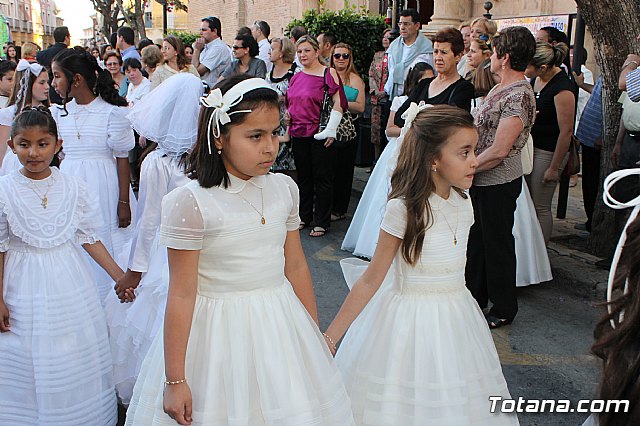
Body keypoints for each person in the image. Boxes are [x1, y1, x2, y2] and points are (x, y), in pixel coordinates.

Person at [125, 75, 355, 425]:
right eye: (255, 136)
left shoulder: (284, 189)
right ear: (219, 137)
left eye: (276, 133)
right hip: (216, 337)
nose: (270, 147)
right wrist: (175, 378)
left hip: (279, 324)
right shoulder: (191, 203)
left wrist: (313, 334)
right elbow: (182, 294)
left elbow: (295, 267)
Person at [325, 105, 517, 425]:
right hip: (406, 320)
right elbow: (371, 280)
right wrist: (330, 338)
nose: (474, 160)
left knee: (455, 400)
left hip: (457, 316)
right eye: (465, 152)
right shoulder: (404, 209)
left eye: (475, 150)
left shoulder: (463, 201)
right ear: (433, 159)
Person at [0, 107, 124, 425]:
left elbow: (89, 237)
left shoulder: (73, 187)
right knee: (25, 355)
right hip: (20, 283)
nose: (33, 152)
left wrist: (119, 276)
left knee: (68, 351)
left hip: (69, 282)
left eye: (43, 143)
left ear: (58, 145)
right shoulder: (4, 191)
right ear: (12, 146)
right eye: (24, 144)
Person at [105, 73, 203, 406]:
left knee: (158, 321)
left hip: (166, 249)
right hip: (200, 247)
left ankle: (160, 385)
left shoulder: (156, 163)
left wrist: (136, 270)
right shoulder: (207, 160)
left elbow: (148, 223)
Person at [50, 47, 135, 303]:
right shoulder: (60, 114)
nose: (54, 83)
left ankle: (111, 295)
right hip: (70, 183)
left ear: (76, 79)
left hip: (103, 185)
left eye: (57, 76)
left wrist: (123, 202)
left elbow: (122, 160)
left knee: (103, 237)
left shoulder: (111, 113)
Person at [465, 26, 537, 328]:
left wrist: (466, 168)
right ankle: (474, 299)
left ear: (504, 57)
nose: (490, 57)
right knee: (479, 241)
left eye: (494, 52)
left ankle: (504, 307)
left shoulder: (519, 94)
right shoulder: (500, 88)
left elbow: (500, 149)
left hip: (498, 180)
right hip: (483, 178)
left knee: (497, 244)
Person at [342, 62, 433, 259]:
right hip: (398, 150)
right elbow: (389, 129)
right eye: (424, 80)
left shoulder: (432, 104)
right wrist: (412, 129)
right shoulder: (401, 100)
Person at [286, 35, 348, 237]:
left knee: (323, 178)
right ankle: (304, 217)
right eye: (300, 51)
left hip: (320, 132)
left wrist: (331, 129)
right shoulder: (296, 75)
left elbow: (340, 102)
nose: (303, 55)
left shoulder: (328, 73)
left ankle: (321, 221)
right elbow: (291, 100)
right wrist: (288, 113)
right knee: (304, 177)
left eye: (307, 50)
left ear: (317, 52)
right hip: (298, 131)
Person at [525, 41, 575, 244]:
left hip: (548, 151)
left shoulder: (562, 88)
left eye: (529, 65)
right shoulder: (535, 81)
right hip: (531, 148)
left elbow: (566, 132)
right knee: (529, 205)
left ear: (543, 67)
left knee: (541, 206)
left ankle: (541, 253)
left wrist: (554, 167)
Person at [395, 28, 474, 125]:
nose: (438, 58)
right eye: (436, 52)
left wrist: (414, 116)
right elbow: (399, 117)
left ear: (458, 56)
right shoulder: (424, 84)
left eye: (444, 52)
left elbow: (450, 124)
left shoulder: (464, 88)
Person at [330, 42, 365, 222]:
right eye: (337, 56)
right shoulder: (327, 76)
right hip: (329, 127)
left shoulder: (355, 79)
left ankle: (339, 208)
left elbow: (360, 106)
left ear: (350, 58)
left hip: (349, 128)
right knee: (328, 168)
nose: (341, 59)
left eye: (345, 56)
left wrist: (339, 102)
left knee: (344, 170)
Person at [0, 60, 50, 175]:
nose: (47, 87)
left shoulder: (52, 111)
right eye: (41, 83)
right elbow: (2, 150)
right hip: (14, 165)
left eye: (47, 82)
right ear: (28, 83)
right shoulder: (8, 114)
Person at [574, 75, 603, 233]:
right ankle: (589, 220)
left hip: (596, 140)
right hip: (587, 135)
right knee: (588, 180)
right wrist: (582, 84)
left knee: (593, 181)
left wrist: (603, 135)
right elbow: (597, 92)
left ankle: (592, 222)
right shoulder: (603, 75)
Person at [265, 37, 297, 176]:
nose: (269, 52)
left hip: (291, 123)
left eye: (273, 49)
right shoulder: (268, 74)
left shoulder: (295, 73)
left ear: (282, 52)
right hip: (272, 122)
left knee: (290, 166)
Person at [385, 9, 433, 98]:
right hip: (393, 96)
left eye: (406, 24)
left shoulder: (427, 48)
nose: (402, 27)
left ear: (417, 25)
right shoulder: (393, 46)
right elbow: (390, 70)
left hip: (416, 97)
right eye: (400, 24)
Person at [369, 28, 391, 164]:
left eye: (389, 37)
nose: (385, 39)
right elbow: (371, 73)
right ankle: (376, 161)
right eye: (384, 36)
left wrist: (386, 92)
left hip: (388, 98)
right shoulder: (377, 55)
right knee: (375, 132)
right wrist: (375, 90)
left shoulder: (395, 55)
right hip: (376, 99)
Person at [192, 16, 230, 87]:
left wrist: (196, 50)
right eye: (200, 30)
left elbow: (196, 72)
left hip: (212, 91)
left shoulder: (218, 48)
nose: (200, 33)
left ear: (214, 31)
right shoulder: (207, 47)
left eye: (204, 30)